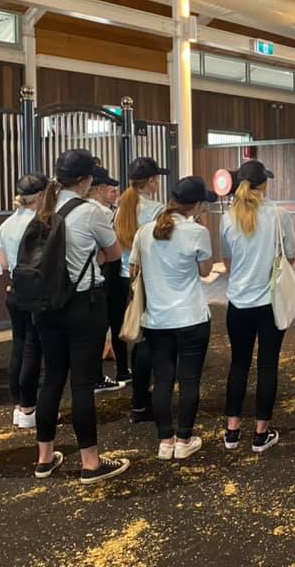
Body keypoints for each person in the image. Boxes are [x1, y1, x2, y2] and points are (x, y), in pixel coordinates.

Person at [33, 149, 129, 484]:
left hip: (46, 307)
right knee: (83, 384)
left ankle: (44, 458)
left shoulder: (43, 208)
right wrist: (93, 260)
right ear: (87, 180)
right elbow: (114, 253)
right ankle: (90, 462)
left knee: (52, 379)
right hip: (83, 304)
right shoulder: (90, 212)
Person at [133, 176, 216, 461]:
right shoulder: (197, 232)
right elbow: (205, 271)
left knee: (163, 379)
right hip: (191, 316)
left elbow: (134, 269)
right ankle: (184, 438)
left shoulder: (144, 232)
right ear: (197, 205)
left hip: (156, 319)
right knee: (190, 379)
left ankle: (164, 440)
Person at [220, 160, 295, 454]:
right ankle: (261, 434)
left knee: (238, 364)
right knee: (267, 365)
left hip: (238, 301)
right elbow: (289, 255)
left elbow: (227, 262)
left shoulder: (228, 218)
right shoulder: (278, 215)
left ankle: (232, 430)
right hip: (269, 303)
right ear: (263, 184)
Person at [114, 157, 169, 418]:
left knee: (138, 335)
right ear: (150, 182)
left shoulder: (121, 207)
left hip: (126, 276)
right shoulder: (156, 209)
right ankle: (146, 400)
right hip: (149, 277)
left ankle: (138, 398)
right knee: (150, 337)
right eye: (156, 179)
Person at [0, 172, 49, 430]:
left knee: (19, 345)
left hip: (14, 291)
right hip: (35, 292)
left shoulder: (5, 225)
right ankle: (29, 407)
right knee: (33, 348)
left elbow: (4, 263)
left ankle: (18, 405)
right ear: (41, 195)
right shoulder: (41, 223)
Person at [88, 166, 127, 392]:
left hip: (95, 276)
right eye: (108, 187)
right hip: (105, 275)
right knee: (110, 321)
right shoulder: (99, 213)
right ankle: (108, 373)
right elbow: (112, 251)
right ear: (99, 188)